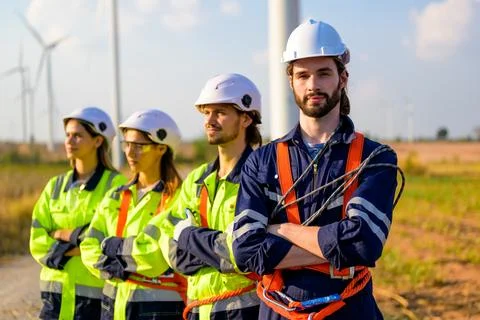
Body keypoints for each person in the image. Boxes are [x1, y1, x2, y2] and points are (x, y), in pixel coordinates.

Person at [232, 19, 402, 320]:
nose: (313, 85)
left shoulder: (375, 159)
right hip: (279, 311)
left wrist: (282, 230)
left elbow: (363, 243)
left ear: (343, 78)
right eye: (303, 75)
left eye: (324, 73)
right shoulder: (261, 162)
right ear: (291, 82)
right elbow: (246, 251)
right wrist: (337, 252)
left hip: (349, 312)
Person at [112, 73, 263, 320]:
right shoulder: (197, 179)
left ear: (246, 118)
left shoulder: (261, 176)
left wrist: (189, 236)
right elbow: (169, 240)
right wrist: (210, 251)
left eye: (220, 112)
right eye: (206, 113)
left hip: (245, 311)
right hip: (198, 309)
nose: (210, 121)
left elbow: (244, 253)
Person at [80, 109, 185, 320]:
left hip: (159, 309)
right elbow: (88, 246)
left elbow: (155, 256)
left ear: (162, 148)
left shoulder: (179, 198)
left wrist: (113, 250)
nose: (129, 152)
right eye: (127, 144)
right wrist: (117, 265)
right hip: (113, 306)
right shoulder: (115, 196)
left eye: (139, 146)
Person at [30, 106, 127, 319]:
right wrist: (80, 243)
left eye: (77, 136)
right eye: (67, 135)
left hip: (95, 299)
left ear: (98, 141)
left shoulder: (116, 185)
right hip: (53, 300)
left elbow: (110, 241)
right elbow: (37, 239)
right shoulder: (55, 185)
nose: (69, 141)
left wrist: (59, 235)